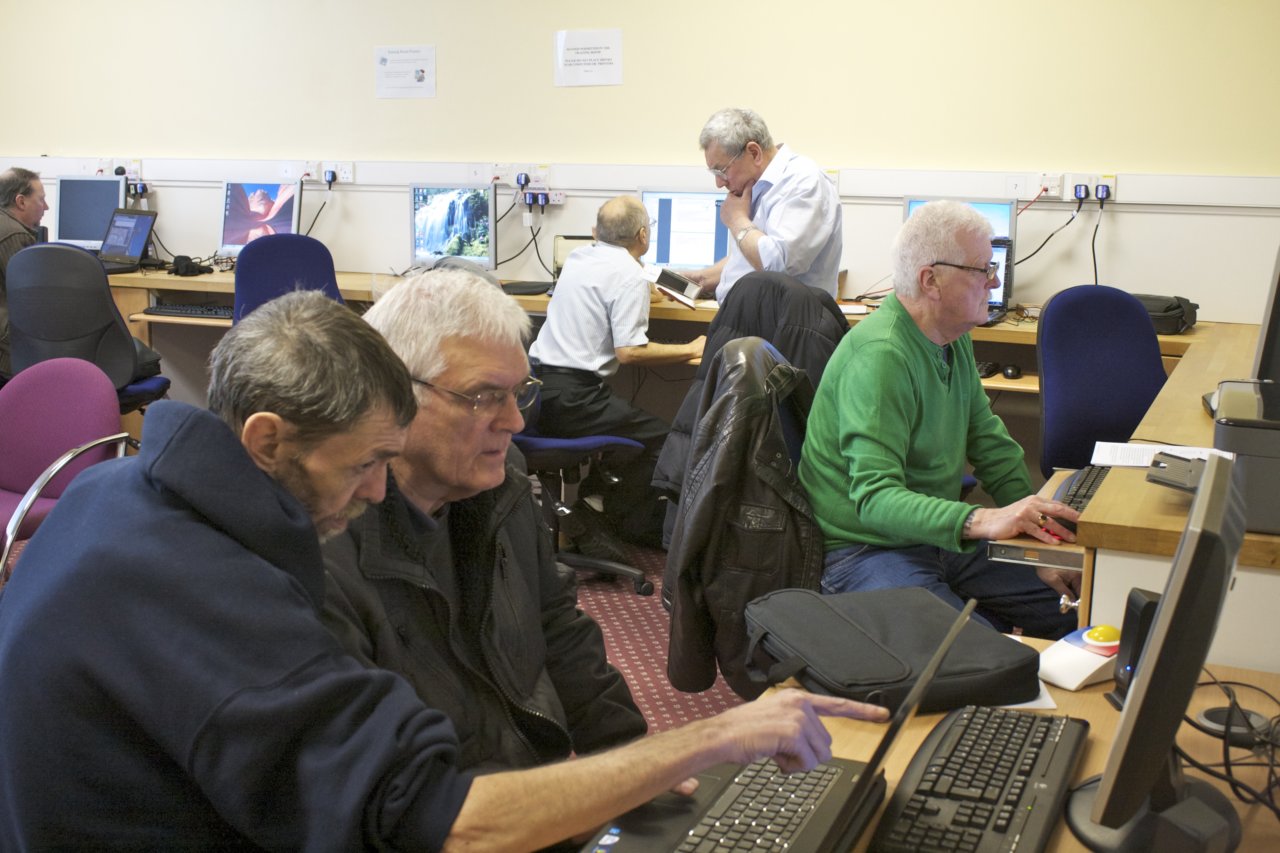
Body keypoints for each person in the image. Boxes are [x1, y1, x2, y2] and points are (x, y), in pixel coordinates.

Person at [0, 290, 889, 850]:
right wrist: (705, 736)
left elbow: (561, 647)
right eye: (358, 466)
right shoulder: (224, 586)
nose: (375, 488)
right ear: (266, 439)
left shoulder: (117, 493)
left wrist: (641, 767)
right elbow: (441, 820)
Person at [322, 269, 648, 773]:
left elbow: (557, 628)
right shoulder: (328, 544)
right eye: (483, 397)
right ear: (394, 394)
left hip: (526, 780)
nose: (515, 422)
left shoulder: (500, 482)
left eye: (519, 392)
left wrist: (633, 759)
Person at [798, 200, 1079, 639]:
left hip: (935, 536)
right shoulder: (881, 357)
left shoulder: (952, 336)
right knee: (974, 655)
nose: (996, 281)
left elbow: (989, 443)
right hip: (863, 550)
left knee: (1084, 603)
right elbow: (875, 499)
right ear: (931, 280)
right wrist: (982, 521)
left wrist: (1038, 540)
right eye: (983, 270)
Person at [528, 195, 705, 551]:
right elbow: (629, 352)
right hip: (576, 399)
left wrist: (646, 292)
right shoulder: (629, 275)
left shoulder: (579, 258)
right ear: (643, 235)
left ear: (596, 232)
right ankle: (614, 516)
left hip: (537, 392)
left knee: (634, 429)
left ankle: (594, 500)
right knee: (666, 442)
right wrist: (690, 348)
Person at [685, 108, 843, 304]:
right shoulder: (756, 188)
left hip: (784, 328)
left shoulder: (803, 182)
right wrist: (703, 278)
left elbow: (776, 265)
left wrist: (737, 221)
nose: (719, 183)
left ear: (754, 152)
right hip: (750, 322)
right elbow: (752, 259)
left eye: (722, 170)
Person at [0, 167, 48, 378]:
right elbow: (32, 302)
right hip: (8, 355)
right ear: (21, 202)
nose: (46, 207)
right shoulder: (15, 236)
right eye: (41, 199)